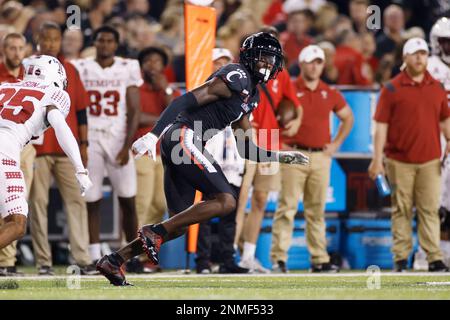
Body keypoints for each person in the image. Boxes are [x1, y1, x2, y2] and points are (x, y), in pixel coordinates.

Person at [96, 32, 309, 286]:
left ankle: (115, 260)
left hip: (184, 143)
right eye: (264, 57)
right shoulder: (237, 75)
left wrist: (281, 157)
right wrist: (154, 134)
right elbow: (185, 99)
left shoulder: (252, 95)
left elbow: (246, 149)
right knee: (226, 200)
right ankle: (152, 233)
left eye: (272, 60)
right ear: (250, 56)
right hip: (183, 137)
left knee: (178, 224)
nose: (268, 64)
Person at [368, 37, 450, 272]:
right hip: (399, 160)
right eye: (415, 54)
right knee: (402, 209)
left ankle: (433, 257)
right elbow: (380, 126)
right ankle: (401, 258)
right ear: (405, 58)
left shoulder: (436, 87)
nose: (419, 58)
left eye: (423, 53)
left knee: (430, 209)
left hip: (431, 159)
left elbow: (445, 119)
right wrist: (377, 160)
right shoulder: (391, 88)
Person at [270, 45, 354, 273]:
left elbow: (348, 117)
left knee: (316, 211)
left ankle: (319, 258)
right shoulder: (289, 88)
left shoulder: (329, 92)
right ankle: (279, 259)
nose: (315, 66)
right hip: (293, 153)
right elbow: (270, 117)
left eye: (319, 62)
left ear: (323, 65)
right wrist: (280, 145)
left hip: (320, 155)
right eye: (311, 62)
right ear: (302, 64)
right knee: (287, 207)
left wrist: (335, 144)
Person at [0, 54, 92, 254]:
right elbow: (61, 127)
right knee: (16, 223)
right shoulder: (54, 93)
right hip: (4, 150)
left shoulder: (5, 86)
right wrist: (80, 168)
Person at [29, 21, 95, 276]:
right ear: (38, 39)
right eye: (46, 39)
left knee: (77, 202)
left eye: (55, 39)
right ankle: (43, 262)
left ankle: (82, 257)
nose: (50, 44)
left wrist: (84, 143)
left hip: (66, 148)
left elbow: (80, 110)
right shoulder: (29, 69)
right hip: (37, 146)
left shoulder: (70, 69)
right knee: (37, 204)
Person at [235, 26, 302, 274]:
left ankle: (249, 256)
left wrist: (294, 119)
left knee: (261, 200)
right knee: (239, 200)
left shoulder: (280, 74)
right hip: (243, 136)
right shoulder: (241, 69)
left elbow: (293, 104)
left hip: (270, 137)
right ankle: (231, 252)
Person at [72, 25, 142, 264]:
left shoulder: (127, 67)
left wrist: (126, 145)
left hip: (117, 137)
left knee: (128, 199)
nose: (105, 45)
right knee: (92, 199)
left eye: (110, 41)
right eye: (101, 41)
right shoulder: (81, 67)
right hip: (91, 137)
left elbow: (134, 111)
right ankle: (93, 257)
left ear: (116, 44)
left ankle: (132, 254)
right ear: (95, 43)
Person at [195, 48, 248, 274]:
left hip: (233, 161)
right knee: (206, 214)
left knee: (230, 216)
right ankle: (203, 262)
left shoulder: (244, 94)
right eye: (218, 62)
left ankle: (227, 260)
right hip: (211, 161)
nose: (222, 66)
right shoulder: (205, 92)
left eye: (226, 62)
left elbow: (246, 130)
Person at [132, 46, 178, 273]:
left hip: (165, 154)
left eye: (157, 61)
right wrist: (163, 120)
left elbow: (179, 115)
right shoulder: (136, 89)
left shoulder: (167, 92)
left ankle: (146, 254)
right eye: (148, 60)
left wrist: (166, 90)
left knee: (160, 205)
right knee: (141, 204)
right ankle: (134, 257)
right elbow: (137, 117)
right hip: (143, 152)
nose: (152, 65)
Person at [414, 17, 450, 269]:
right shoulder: (429, 67)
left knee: (447, 202)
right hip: (434, 136)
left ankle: (443, 251)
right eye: (446, 42)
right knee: (432, 200)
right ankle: (427, 253)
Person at [0, 32, 28, 277]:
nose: (16, 52)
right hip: (5, 147)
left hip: (22, 147)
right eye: (11, 47)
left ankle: (7, 262)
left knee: (17, 211)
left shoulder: (31, 78)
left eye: (20, 48)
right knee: (17, 219)